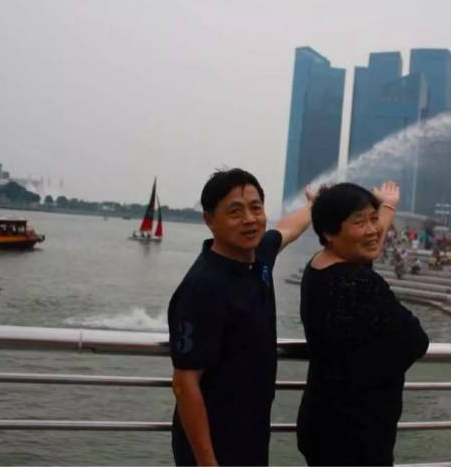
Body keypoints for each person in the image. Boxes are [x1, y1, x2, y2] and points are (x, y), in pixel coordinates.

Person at [167, 168, 314, 466]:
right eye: (235, 211)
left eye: (256, 208)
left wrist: (314, 205)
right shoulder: (203, 287)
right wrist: (207, 463)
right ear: (210, 220)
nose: (250, 219)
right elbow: (185, 383)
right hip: (214, 446)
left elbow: (288, 229)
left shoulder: (258, 256)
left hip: (252, 435)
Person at [297, 181, 429, 466]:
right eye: (360, 222)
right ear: (328, 232)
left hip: (322, 423)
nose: (373, 229)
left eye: (373, 218)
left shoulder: (319, 266)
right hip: (356, 436)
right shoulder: (359, 284)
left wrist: (388, 206)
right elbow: (416, 340)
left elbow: (363, 249)